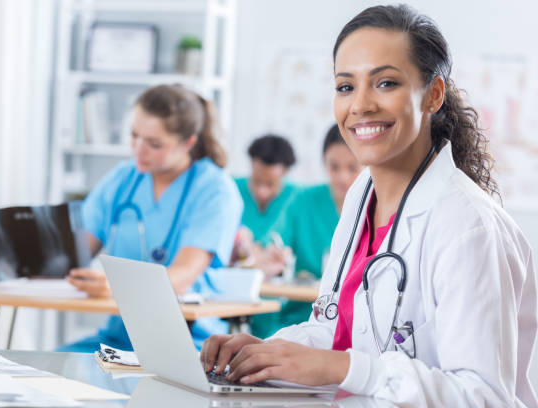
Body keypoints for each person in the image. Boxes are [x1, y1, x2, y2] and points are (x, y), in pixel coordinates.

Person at [200, 5, 538, 407]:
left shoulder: (468, 227)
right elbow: (335, 329)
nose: (360, 105)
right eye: (345, 87)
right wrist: (264, 353)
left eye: (386, 83)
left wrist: (344, 368)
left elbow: (485, 397)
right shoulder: (362, 195)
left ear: (433, 94)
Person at [59, 84, 243, 352]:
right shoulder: (124, 178)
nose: (138, 149)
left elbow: (183, 275)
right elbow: (73, 253)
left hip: (184, 342)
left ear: (188, 142)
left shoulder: (215, 190)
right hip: (118, 339)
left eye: (154, 144)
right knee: (43, 372)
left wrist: (115, 286)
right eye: (134, 136)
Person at [250, 124, 363, 338]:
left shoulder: (377, 206)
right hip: (300, 317)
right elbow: (267, 245)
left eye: (352, 167)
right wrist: (270, 257)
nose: (342, 177)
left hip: (354, 321)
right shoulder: (303, 201)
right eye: (334, 167)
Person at [234, 134, 298, 244]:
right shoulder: (232, 189)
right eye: (257, 181)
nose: (262, 192)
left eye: (270, 184)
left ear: (285, 172)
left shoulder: (296, 197)